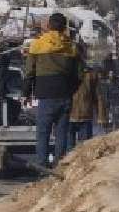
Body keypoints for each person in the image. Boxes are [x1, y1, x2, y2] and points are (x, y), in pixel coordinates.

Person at [24, 13, 82, 167]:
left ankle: (42, 165)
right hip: (65, 95)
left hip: (45, 95)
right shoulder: (72, 47)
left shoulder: (37, 45)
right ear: (64, 28)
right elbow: (79, 75)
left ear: (49, 26)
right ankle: (59, 164)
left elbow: (29, 72)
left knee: (43, 132)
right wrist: (71, 90)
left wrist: (26, 93)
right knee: (62, 132)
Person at [67, 63, 107, 149]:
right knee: (77, 148)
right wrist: (101, 117)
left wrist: (101, 117)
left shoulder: (91, 75)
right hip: (72, 115)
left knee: (82, 148)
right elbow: (99, 98)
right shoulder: (90, 74)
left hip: (79, 116)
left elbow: (99, 97)